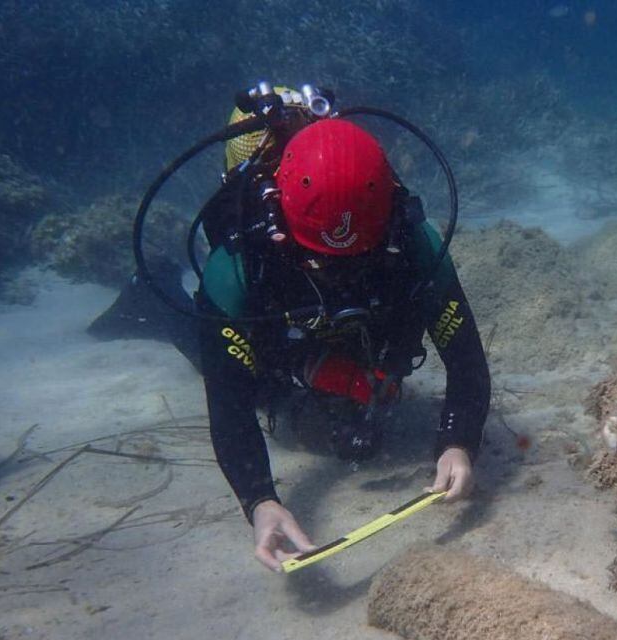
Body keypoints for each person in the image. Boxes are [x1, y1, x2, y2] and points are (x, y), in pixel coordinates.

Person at [191, 114, 490, 572]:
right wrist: (259, 500)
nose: (340, 279)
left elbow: (465, 357)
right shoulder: (235, 271)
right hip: (280, 352)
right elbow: (228, 402)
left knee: (368, 428)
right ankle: (152, 313)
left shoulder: (416, 245)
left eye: (358, 260)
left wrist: (458, 441)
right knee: (215, 362)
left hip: (359, 348)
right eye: (318, 263)